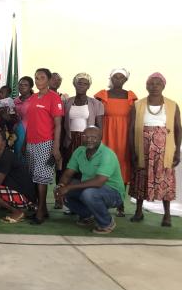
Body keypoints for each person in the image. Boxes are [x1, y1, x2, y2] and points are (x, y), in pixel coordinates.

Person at [129, 73, 182, 227]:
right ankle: (138, 211)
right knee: (140, 177)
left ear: (163, 86)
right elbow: (132, 129)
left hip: (165, 150)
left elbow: (178, 129)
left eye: (158, 83)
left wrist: (177, 151)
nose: (154, 86)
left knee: (166, 180)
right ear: (146, 85)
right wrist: (133, 151)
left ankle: (167, 215)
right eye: (151, 83)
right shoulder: (138, 105)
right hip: (142, 148)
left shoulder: (172, 105)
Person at [55, 126, 125, 234]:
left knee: (88, 193)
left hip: (113, 193)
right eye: (86, 136)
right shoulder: (79, 151)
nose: (89, 139)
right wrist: (60, 187)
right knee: (65, 190)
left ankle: (107, 223)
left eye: (93, 137)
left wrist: (68, 187)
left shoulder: (107, 154)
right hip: (90, 188)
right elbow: (68, 173)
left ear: (100, 138)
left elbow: (99, 182)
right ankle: (88, 215)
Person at [94, 68, 137, 215]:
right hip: (106, 135)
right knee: (103, 165)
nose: (118, 80)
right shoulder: (102, 95)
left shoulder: (130, 97)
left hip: (124, 137)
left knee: (122, 167)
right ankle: (102, 201)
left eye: (121, 78)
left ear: (125, 80)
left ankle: (120, 203)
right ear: (111, 78)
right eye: (115, 77)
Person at [24, 68, 64, 224]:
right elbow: (30, 121)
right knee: (34, 178)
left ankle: (40, 212)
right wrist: (25, 142)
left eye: (41, 77)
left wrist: (55, 147)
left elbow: (58, 125)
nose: (38, 80)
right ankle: (42, 209)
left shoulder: (54, 98)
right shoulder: (33, 97)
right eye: (36, 77)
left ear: (49, 80)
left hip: (45, 143)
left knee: (42, 179)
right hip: (31, 143)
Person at [63, 73, 104, 165]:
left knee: (86, 164)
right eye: (79, 83)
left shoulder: (96, 104)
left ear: (88, 86)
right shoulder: (67, 102)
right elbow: (63, 124)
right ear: (75, 84)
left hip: (87, 139)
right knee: (71, 165)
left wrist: (97, 143)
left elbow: (100, 127)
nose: (81, 86)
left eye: (85, 84)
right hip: (70, 139)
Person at [13, 76, 34, 158]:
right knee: (17, 156)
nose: (22, 87)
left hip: (29, 132)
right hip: (16, 132)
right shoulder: (15, 101)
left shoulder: (34, 100)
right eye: (20, 85)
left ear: (31, 87)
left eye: (25, 85)